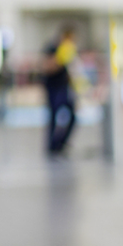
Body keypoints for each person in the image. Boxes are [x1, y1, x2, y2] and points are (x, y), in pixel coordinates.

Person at [42, 26, 78, 156]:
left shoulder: (69, 50)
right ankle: (52, 146)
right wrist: (59, 59)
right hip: (53, 88)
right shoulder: (52, 48)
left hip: (64, 88)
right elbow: (46, 67)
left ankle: (61, 144)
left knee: (72, 116)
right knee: (53, 116)